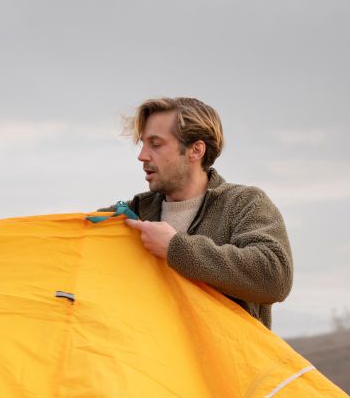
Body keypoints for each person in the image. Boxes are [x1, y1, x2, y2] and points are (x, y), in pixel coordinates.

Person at [115, 96, 292, 328]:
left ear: (196, 150)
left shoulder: (243, 204)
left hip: (225, 364)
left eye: (155, 144)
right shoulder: (131, 215)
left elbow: (275, 278)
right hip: (152, 363)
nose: (143, 156)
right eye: (143, 144)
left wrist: (175, 248)